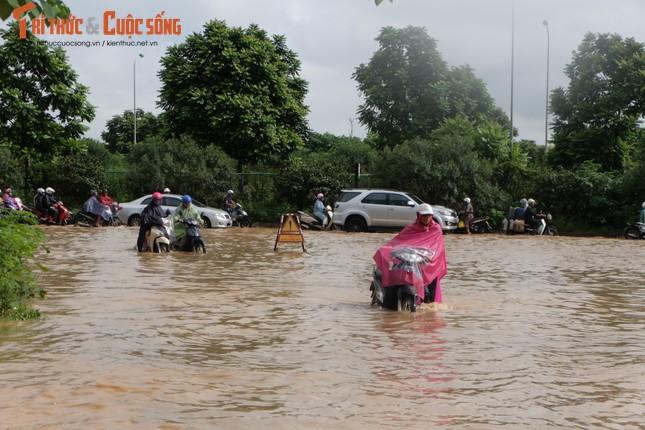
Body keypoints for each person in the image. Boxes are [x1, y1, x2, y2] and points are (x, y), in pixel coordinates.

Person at [373, 203, 448, 306]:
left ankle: (428, 299)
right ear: (418, 215)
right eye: (424, 215)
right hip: (411, 259)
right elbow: (399, 240)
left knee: (432, 285)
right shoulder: (411, 228)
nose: (427, 218)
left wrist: (430, 256)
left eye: (429, 215)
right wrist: (389, 249)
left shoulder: (436, 229)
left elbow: (437, 247)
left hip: (427, 262)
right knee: (396, 267)